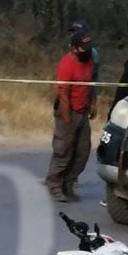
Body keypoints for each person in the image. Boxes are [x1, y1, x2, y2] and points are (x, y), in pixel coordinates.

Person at [45, 31, 96, 203]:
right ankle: (54, 186)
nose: (87, 51)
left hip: (83, 112)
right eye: (84, 48)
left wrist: (92, 104)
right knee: (63, 150)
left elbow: (91, 84)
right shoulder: (67, 64)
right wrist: (67, 120)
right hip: (68, 112)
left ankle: (69, 182)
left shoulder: (89, 60)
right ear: (74, 49)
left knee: (82, 151)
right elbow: (64, 94)